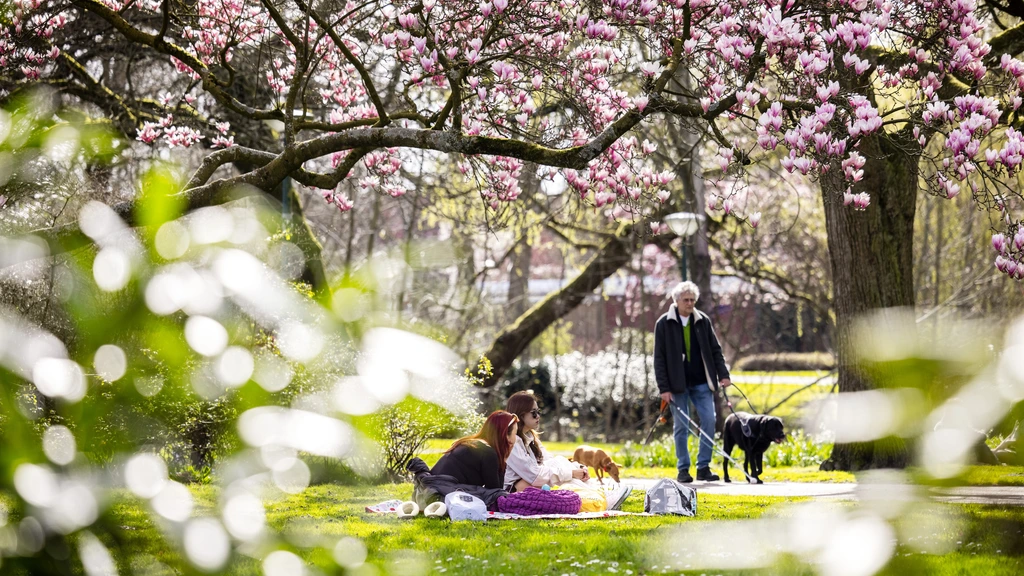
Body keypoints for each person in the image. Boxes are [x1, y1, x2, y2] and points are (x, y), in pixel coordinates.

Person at [654, 281, 732, 483]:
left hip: (701, 382)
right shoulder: (664, 323)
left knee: (709, 420)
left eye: (692, 300)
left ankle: (703, 467)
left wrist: (723, 375)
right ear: (676, 301)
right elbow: (659, 359)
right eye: (686, 300)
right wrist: (664, 388)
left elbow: (716, 350)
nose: (690, 303)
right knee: (681, 427)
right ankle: (683, 469)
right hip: (677, 385)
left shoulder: (703, 321)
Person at [504, 391, 589, 491]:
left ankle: (592, 494)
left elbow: (549, 459)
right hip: (514, 491)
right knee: (561, 477)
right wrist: (571, 473)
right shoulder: (511, 442)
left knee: (558, 462)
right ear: (521, 415)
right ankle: (591, 495)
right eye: (534, 413)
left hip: (532, 483)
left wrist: (577, 467)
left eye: (538, 412)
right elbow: (535, 475)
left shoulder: (530, 437)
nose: (538, 416)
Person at [431, 410, 519, 489]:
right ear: (505, 436)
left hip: (430, 490)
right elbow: (495, 493)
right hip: (443, 495)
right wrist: (503, 461)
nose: (515, 439)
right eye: (515, 434)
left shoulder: (473, 444)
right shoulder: (488, 453)